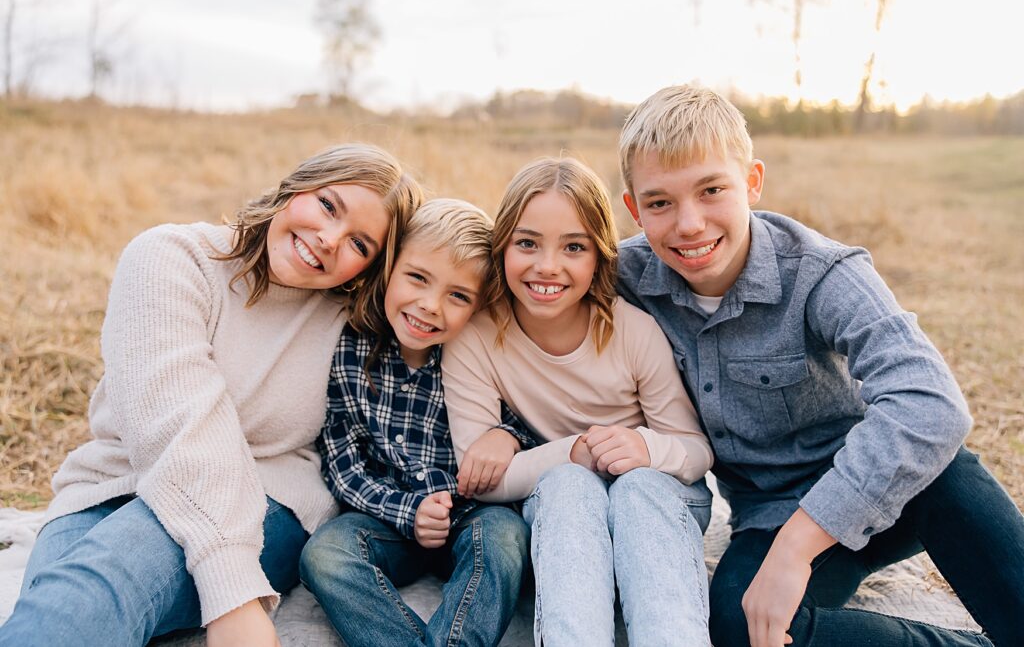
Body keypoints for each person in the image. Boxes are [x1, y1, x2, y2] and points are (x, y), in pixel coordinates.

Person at [615, 85, 1024, 647]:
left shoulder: (821, 271)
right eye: (660, 202)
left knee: (949, 474)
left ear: (752, 182)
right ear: (634, 209)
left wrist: (797, 548)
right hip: (770, 512)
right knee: (739, 626)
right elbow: (522, 285)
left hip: (897, 489)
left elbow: (929, 400)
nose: (689, 224)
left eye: (712, 190)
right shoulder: (627, 276)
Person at [0, 143, 425, 647]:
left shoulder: (351, 319)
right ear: (297, 186)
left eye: (360, 244)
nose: (330, 240)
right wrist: (234, 596)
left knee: (103, 585)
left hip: (268, 498)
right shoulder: (171, 258)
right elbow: (180, 423)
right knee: (67, 601)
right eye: (329, 206)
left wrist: (233, 589)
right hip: (115, 487)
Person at [442, 157, 716, 647]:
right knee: (568, 484)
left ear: (600, 257)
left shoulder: (632, 331)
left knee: (637, 491)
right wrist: (574, 453)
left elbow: (695, 451)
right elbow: (480, 478)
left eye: (573, 247)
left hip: (659, 494)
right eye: (527, 243)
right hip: (568, 506)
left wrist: (645, 450)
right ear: (502, 244)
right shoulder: (477, 338)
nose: (548, 266)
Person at [299, 198, 531, 647]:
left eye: (458, 296)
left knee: (506, 539)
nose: (429, 306)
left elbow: (532, 417)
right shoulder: (353, 348)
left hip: (473, 513)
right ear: (390, 268)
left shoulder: (483, 350)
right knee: (325, 555)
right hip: (386, 517)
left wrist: (508, 438)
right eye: (418, 278)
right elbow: (342, 463)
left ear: (481, 306)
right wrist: (406, 512)